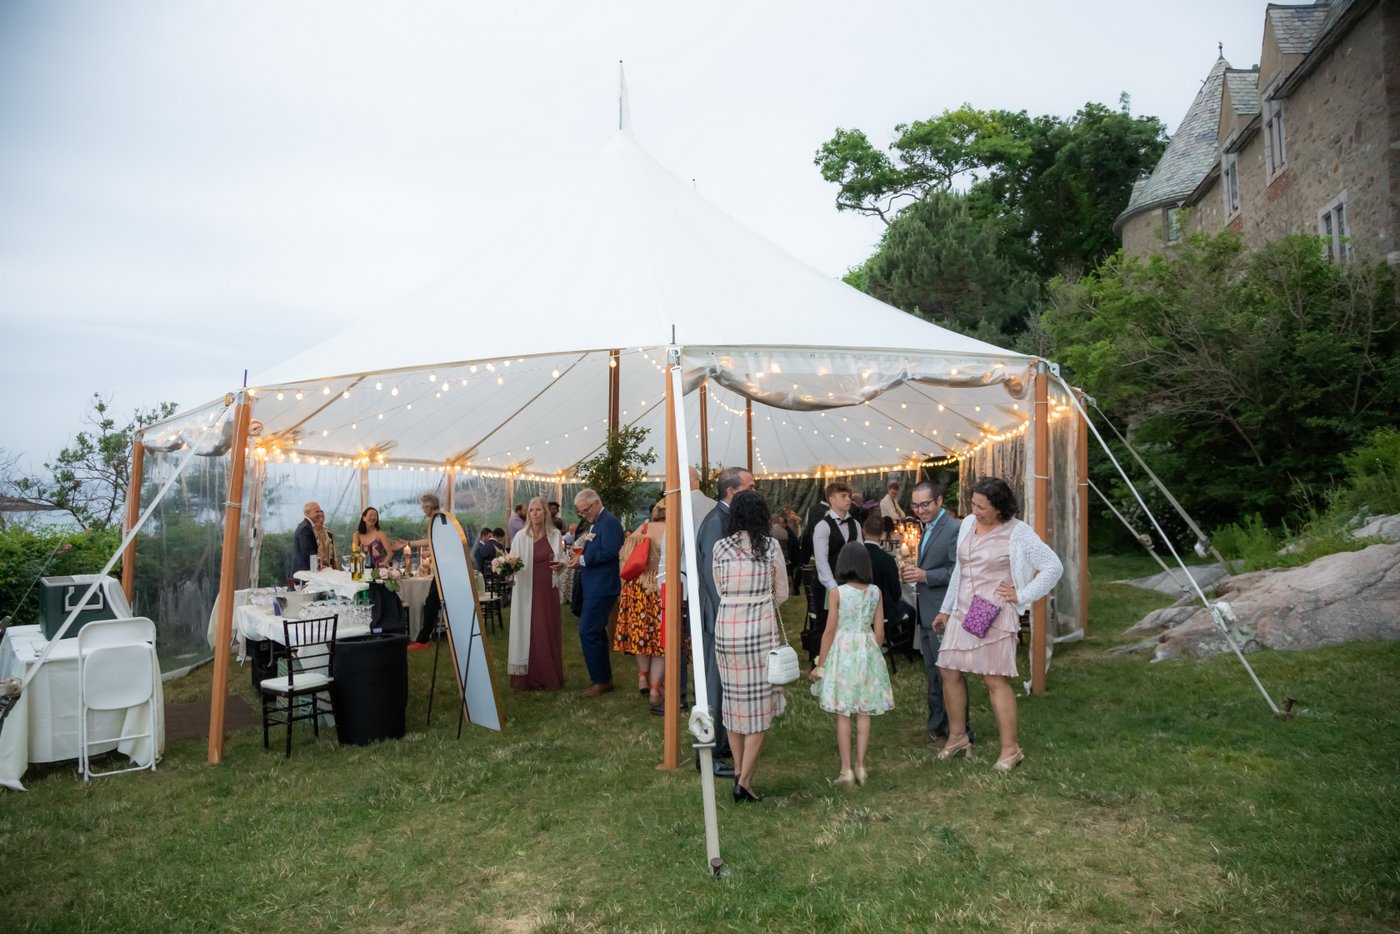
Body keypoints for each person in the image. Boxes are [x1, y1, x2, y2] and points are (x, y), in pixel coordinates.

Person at [934, 477, 1063, 772]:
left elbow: (1053, 566)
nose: (975, 510)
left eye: (982, 506)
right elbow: (960, 570)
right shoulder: (967, 524)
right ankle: (957, 738)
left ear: (1000, 508)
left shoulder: (1018, 533)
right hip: (963, 609)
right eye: (973, 504)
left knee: (993, 678)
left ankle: (1010, 749)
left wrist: (1023, 594)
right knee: (948, 669)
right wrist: (946, 608)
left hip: (993, 610)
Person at [713, 489, 789, 802]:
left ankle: (740, 776)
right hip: (759, 632)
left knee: (733, 704)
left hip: (727, 631)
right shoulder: (770, 547)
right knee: (760, 706)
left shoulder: (720, 547)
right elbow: (781, 592)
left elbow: (719, 589)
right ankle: (744, 781)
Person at [809, 542, 894, 787]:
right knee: (864, 710)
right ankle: (861, 765)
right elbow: (879, 631)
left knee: (844, 711)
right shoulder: (875, 592)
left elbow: (829, 631)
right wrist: (872, 654)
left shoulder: (837, 592)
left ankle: (846, 769)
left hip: (844, 651)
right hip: (867, 649)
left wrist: (820, 664)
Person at [898, 482, 968, 745]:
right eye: (915, 505)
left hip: (943, 611)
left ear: (938, 501)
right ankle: (938, 725)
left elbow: (958, 572)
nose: (920, 510)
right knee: (932, 672)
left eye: (925, 504)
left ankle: (959, 729)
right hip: (926, 611)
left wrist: (926, 576)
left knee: (949, 674)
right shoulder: (926, 527)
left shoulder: (953, 529)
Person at [695, 465, 754, 778]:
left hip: (727, 619)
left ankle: (724, 743)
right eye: (751, 486)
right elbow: (714, 577)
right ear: (732, 491)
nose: (755, 492)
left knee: (727, 686)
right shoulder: (717, 522)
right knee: (715, 687)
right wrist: (727, 621)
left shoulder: (727, 518)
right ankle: (709, 752)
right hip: (719, 620)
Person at [566, 488, 624, 696]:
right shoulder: (596, 522)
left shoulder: (609, 522)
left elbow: (611, 551)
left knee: (587, 631)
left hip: (603, 586)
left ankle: (600, 680)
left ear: (597, 502)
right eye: (580, 512)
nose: (584, 514)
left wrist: (582, 560)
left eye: (586, 510)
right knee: (596, 632)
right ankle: (603, 678)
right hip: (594, 584)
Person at [506, 497, 565, 691]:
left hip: (548, 589)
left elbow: (562, 560)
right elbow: (512, 563)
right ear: (527, 514)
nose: (535, 513)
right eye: (532, 510)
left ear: (545, 513)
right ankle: (526, 677)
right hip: (525, 588)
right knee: (528, 629)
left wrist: (561, 565)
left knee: (546, 628)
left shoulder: (555, 534)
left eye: (539, 510)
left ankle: (549, 675)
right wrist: (507, 566)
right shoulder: (521, 537)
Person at [613, 502, 667, 703]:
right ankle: (655, 689)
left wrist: (624, 589)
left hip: (636, 589)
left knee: (640, 638)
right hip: (660, 589)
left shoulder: (640, 530)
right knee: (661, 642)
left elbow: (623, 561)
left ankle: (642, 676)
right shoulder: (672, 531)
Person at [811, 481, 862, 615]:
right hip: (827, 584)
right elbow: (821, 561)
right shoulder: (822, 526)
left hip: (851, 583)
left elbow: (860, 554)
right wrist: (833, 587)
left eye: (849, 496)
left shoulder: (855, 524)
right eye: (843, 496)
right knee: (826, 626)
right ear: (831, 500)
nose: (848, 499)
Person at [860, 513, 904, 640]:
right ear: (882, 534)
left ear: (863, 531)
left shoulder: (855, 555)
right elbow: (896, 593)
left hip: (858, 605)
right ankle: (906, 646)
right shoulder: (887, 560)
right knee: (911, 610)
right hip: (882, 608)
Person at [409, 492, 445, 649]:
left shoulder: (437, 520)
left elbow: (440, 543)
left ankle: (423, 641)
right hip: (442, 570)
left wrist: (429, 551)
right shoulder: (441, 519)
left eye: (424, 507)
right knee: (431, 603)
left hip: (443, 571)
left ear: (429, 506)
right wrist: (410, 543)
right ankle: (423, 639)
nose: (423, 510)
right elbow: (435, 541)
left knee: (431, 604)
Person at [292, 501, 338, 574]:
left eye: (320, 511)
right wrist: (320, 562)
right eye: (317, 511)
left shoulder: (310, 527)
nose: (320, 513)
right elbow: (309, 554)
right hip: (304, 574)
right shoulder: (305, 528)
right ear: (307, 513)